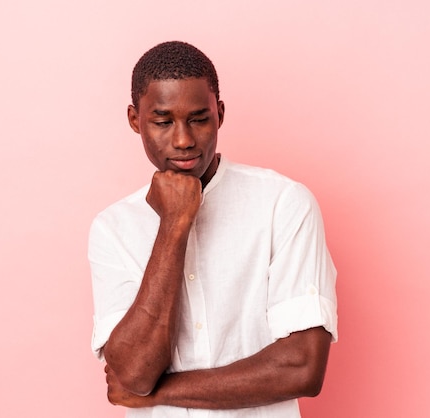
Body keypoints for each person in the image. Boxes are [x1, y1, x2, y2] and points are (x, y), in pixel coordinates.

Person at [88, 41, 338, 417]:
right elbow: (134, 373)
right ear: (134, 119)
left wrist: (158, 393)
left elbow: (301, 367)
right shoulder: (112, 228)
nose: (184, 139)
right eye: (162, 121)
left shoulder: (283, 204)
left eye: (199, 118)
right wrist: (173, 224)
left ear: (219, 114)